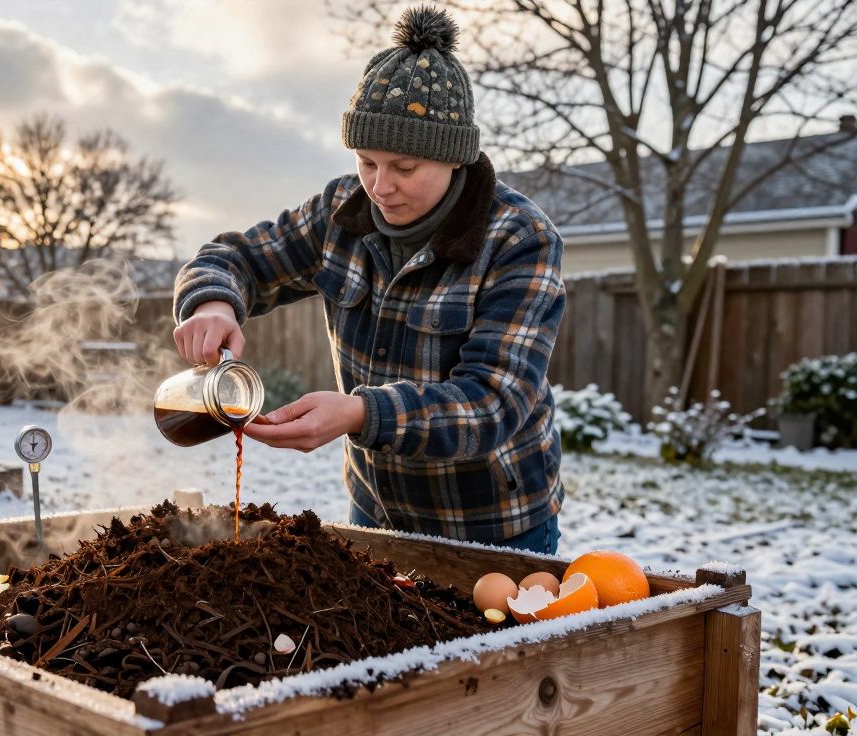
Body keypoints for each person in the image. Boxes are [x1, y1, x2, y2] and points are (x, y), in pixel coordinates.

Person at [170, 5, 567, 554]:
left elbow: (492, 403)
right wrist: (213, 303)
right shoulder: (339, 211)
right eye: (366, 161)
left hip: (493, 524)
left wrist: (362, 412)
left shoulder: (518, 239)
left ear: (454, 158)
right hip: (374, 510)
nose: (381, 187)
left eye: (404, 168)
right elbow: (234, 257)